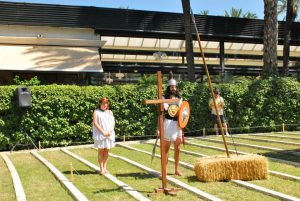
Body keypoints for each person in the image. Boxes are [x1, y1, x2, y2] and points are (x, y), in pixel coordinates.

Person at [158, 71, 183, 176]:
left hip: (178, 124)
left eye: (175, 87)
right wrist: (159, 128)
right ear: (169, 87)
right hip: (168, 123)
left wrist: (181, 121)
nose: (174, 88)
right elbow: (164, 111)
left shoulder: (179, 98)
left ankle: (176, 169)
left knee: (177, 147)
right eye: (172, 87)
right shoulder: (164, 98)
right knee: (166, 148)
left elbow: (182, 110)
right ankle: (165, 170)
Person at [92, 97, 115, 174]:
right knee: (101, 151)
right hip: (100, 135)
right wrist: (103, 132)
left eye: (106, 103)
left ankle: (105, 167)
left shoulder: (110, 112)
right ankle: (101, 168)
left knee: (106, 151)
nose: (105, 105)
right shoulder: (96, 112)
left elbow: (113, 122)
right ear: (100, 103)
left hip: (109, 134)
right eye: (103, 103)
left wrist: (110, 131)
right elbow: (95, 123)